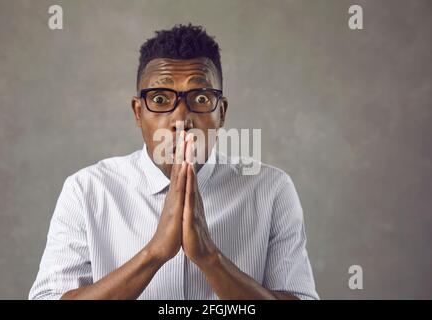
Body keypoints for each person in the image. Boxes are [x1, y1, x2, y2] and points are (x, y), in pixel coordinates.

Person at [29, 23, 319, 300]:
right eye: (159, 98)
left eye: (201, 99)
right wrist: (154, 253)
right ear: (137, 112)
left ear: (222, 113)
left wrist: (210, 259)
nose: (181, 119)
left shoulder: (271, 189)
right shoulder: (86, 189)